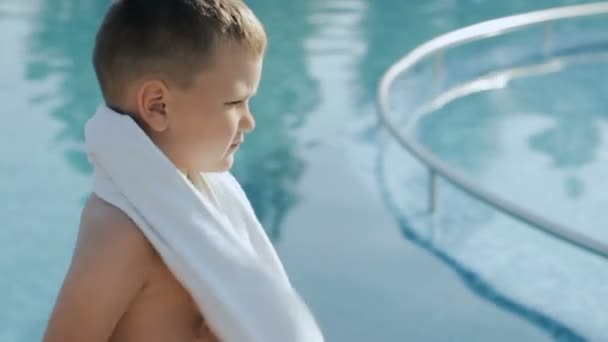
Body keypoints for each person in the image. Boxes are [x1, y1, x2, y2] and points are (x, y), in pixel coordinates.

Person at [43, 1, 322, 341]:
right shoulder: (120, 231)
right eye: (234, 103)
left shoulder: (202, 206)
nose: (249, 122)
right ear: (158, 106)